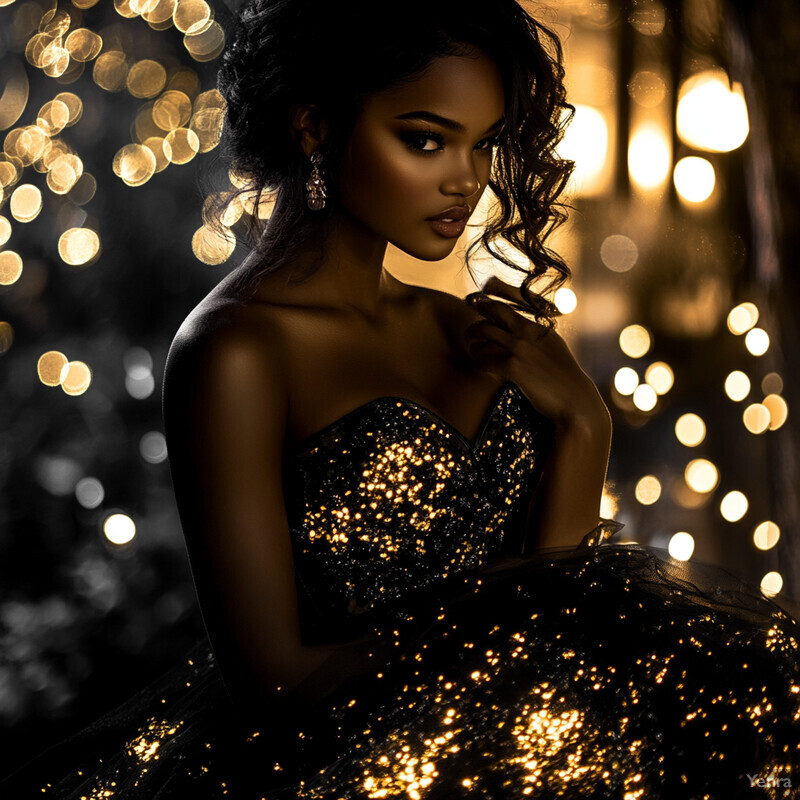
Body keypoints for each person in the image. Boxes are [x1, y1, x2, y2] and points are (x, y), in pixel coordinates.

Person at [3, 0, 800, 797]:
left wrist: (583, 426)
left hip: (532, 753)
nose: (467, 180)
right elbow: (275, 684)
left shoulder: (475, 331)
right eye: (427, 139)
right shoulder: (235, 351)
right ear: (315, 128)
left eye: (483, 143)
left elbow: (556, 612)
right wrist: (490, 634)